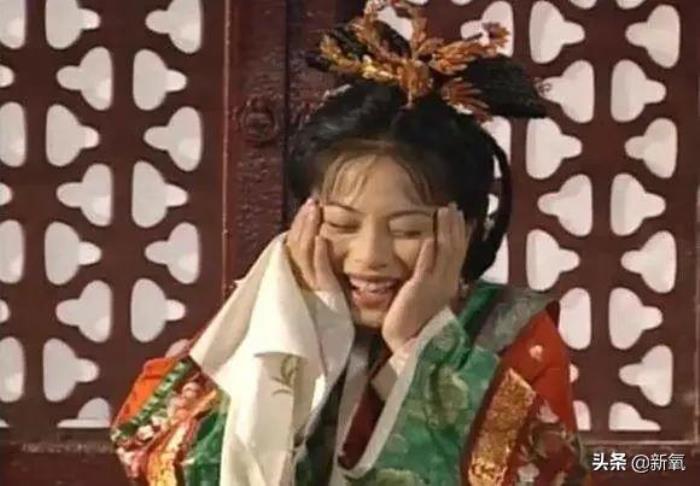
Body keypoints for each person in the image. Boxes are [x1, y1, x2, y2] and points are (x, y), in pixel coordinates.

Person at [110, 1, 592, 484]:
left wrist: (423, 348)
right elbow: (157, 459)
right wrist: (306, 330)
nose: (369, 257)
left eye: (406, 230)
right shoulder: (275, 314)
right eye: (341, 224)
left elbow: (551, 475)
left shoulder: (514, 336)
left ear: (465, 229)